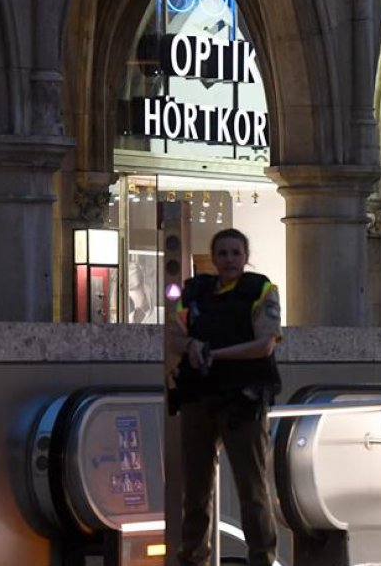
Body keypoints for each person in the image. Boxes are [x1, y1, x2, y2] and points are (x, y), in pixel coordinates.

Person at [167, 228, 282, 566]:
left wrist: (214, 353)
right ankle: (193, 557)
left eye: (235, 253)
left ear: (246, 257)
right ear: (213, 258)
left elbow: (264, 345)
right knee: (196, 491)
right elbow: (174, 336)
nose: (229, 259)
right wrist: (190, 346)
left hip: (243, 400)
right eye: (223, 253)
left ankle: (262, 558)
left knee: (252, 490)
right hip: (199, 397)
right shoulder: (196, 292)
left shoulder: (260, 290)